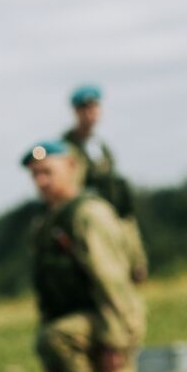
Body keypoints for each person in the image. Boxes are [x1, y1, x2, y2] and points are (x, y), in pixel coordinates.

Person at [22, 141, 163, 372]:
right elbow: (48, 290)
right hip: (85, 320)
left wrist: (115, 339)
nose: (40, 181)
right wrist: (49, 355)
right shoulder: (48, 223)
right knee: (52, 341)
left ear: (72, 167)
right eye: (35, 175)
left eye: (47, 172)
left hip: (113, 318)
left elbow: (112, 282)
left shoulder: (89, 215)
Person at [62, 84, 148, 282]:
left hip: (115, 215)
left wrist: (137, 256)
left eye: (94, 107)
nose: (91, 113)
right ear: (76, 112)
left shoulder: (100, 146)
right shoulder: (68, 146)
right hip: (92, 221)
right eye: (85, 108)